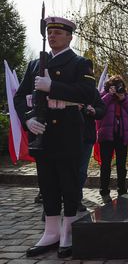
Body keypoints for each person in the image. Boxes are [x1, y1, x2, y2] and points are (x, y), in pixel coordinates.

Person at [13, 16, 95, 258]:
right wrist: (28, 120)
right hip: (43, 132)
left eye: (58, 33)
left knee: (68, 182)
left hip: (68, 130)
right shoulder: (35, 64)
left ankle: (68, 230)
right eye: (49, 32)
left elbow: (88, 94)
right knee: (47, 183)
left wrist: (53, 87)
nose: (52, 36)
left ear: (70, 36)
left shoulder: (80, 63)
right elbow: (20, 97)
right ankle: (51, 231)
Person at [98, 75, 128, 202]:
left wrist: (123, 99)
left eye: (120, 86)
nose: (119, 88)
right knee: (105, 165)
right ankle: (104, 191)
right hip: (107, 136)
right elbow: (100, 108)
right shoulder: (104, 95)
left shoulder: (125, 97)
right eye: (115, 86)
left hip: (121, 136)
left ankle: (122, 190)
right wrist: (110, 94)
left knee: (121, 165)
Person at [78, 88, 105, 211]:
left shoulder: (90, 89)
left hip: (86, 136)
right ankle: (51, 205)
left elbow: (101, 108)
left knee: (81, 171)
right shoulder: (64, 84)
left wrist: (94, 111)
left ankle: (76, 198)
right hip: (65, 135)